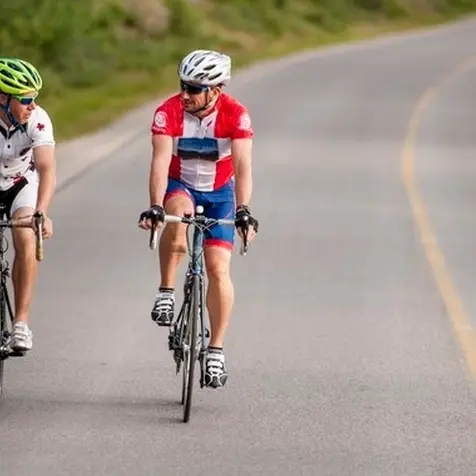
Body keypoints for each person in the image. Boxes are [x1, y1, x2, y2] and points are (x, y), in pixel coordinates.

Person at [138, 49, 259, 388]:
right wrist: (154, 205)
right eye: (183, 86)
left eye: (194, 89)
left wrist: (243, 210)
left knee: (218, 269)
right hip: (181, 185)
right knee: (177, 214)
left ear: (215, 91)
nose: (185, 94)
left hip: (220, 192)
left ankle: (216, 350)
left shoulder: (236, 115)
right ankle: (166, 291)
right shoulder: (168, 111)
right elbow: (160, 161)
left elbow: (243, 166)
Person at [0, 57, 56, 352]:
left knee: (25, 234)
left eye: (35, 98)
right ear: (3, 98)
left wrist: (42, 212)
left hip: (20, 184)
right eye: (25, 100)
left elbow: (46, 168)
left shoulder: (37, 119)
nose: (32, 105)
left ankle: (20, 324)